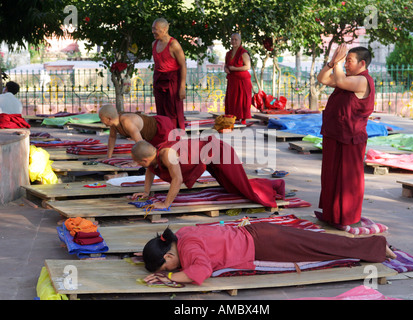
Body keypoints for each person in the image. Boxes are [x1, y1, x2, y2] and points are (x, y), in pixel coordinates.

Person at [142, 224, 397, 286]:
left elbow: (201, 271)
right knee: (318, 241)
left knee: (320, 247)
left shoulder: (187, 249)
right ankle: (374, 245)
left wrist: (171, 277)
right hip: (259, 233)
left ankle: (375, 246)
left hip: (264, 245)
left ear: (167, 257)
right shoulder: (183, 233)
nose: (170, 270)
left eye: (166, 267)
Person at [130, 137, 285, 209]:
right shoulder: (154, 156)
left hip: (220, 152)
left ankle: (276, 184)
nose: (137, 165)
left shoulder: (166, 154)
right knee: (233, 189)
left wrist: (165, 204)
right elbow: (150, 171)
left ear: (144, 160)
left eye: (137, 162)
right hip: (209, 157)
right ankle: (270, 185)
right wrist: (145, 191)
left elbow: (177, 179)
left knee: (243, 188)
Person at [316, 44, 375, 226]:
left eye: (349, 61)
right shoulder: (348, 78)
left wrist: (339, 63)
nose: (347, 65)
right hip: (334, 133)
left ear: (362, 63)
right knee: (330, 175)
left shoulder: (362, 81)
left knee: (347, 179)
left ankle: (347, 217)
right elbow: (322, 78)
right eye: (346, 61)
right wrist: (333, 61)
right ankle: (331, 215)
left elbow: (340, 81)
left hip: (350, 137)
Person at [98, 104, 176, 158]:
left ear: (109, 118)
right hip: (151, 135)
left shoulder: (126, 121)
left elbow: (140, 142)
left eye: (101, 118)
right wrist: (108, 157)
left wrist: (136, 162)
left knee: (168, 155)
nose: (101, 120)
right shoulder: (114, 123)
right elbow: (112, 138)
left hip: (162, 128)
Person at [152, 18, 186, 130]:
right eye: (152, 29)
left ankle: (175, 137)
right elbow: (156, 66)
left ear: (165, 29)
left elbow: (183, 65)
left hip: (172, 82)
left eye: (155, 29)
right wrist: (154, 85)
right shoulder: (154, 44)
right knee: (160, 112)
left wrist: (182, 87)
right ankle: (164, 136)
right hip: (159, 81)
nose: (153, 31)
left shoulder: (174, 44)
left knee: (173, 112)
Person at [224, 33, 253, 125]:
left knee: (242, 100)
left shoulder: (243, 53)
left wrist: (234, 69)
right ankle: (233, 117)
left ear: (240, 41)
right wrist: (226, 69)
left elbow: (248, 66)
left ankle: (243, 118)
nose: (234, 41)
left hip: (242, 80)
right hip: (232, 80)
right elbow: (226, 65)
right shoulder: (228, 53)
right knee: (232, 99)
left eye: (236, 39)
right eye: (232, 39)